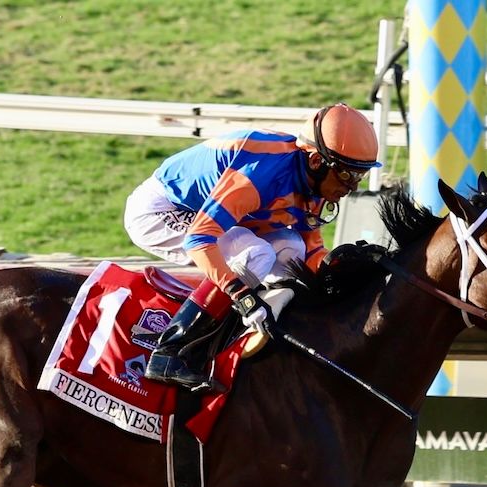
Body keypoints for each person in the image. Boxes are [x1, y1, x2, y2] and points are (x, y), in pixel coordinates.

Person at [124, 102, 382, 393]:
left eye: (359, 176)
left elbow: (310, 256)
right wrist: (241, 295)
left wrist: (349, 270)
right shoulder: (261, 174)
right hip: (162, 211)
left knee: (291, 249)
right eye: (347, 175)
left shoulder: (317, 183)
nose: (352, 187)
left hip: (209, 219)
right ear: (315, 161)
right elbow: (199, 239)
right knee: (256, 254)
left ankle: (257, 339)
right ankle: (170, 352)